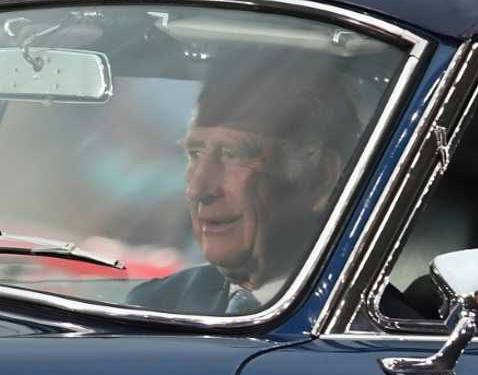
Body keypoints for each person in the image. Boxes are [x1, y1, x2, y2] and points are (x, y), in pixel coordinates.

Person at [126, 51, 359, 315]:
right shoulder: (156, 305)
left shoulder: (366, 331)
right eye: (195, 153)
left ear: (321, 178)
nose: (198, 189)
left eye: (232, 154)